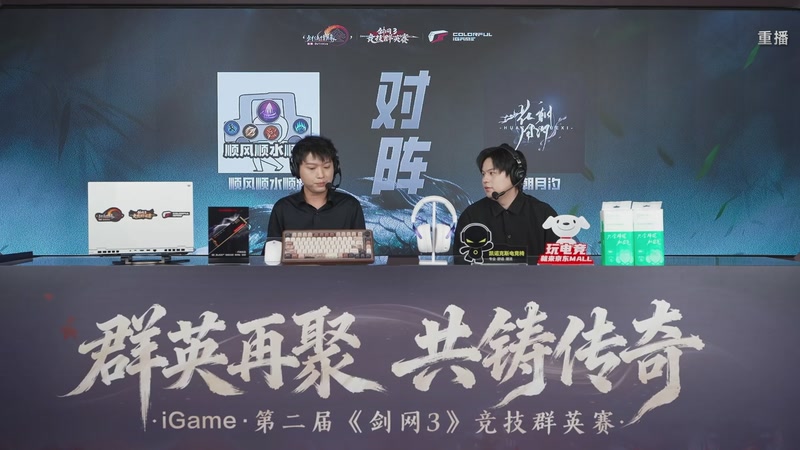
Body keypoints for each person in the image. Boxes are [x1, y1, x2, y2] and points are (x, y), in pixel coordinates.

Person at [262, 135, 365, 255]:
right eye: (312, 168)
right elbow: (271, 255)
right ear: (296, 169)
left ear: (335, 168)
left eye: (326, 167)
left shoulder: (350, 206)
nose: (321, 175)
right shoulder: (283, 208)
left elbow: (361, 254)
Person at [455, 143, 558, 257]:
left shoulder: (543, 214)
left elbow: (559, 262)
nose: (485, 179)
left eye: (492, 173)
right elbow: (460, 262)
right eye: (483, 174)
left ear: (516, 175)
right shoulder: (471, 216)